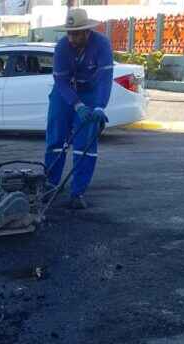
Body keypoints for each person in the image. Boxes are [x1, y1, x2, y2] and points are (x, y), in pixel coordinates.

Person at [45, 9, 113, 209]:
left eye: (76, 33)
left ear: (87, 31)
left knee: (85, 145)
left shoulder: (102, 45)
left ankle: (77, 192)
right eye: (69, 33)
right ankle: (50, 185)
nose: (72, 38)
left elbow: (104, 79)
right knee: (55, 139)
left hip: (91, 93)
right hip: (64, 93)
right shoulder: (62, 47)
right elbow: (61, 81)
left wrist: (100, 106)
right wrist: (77, 105)